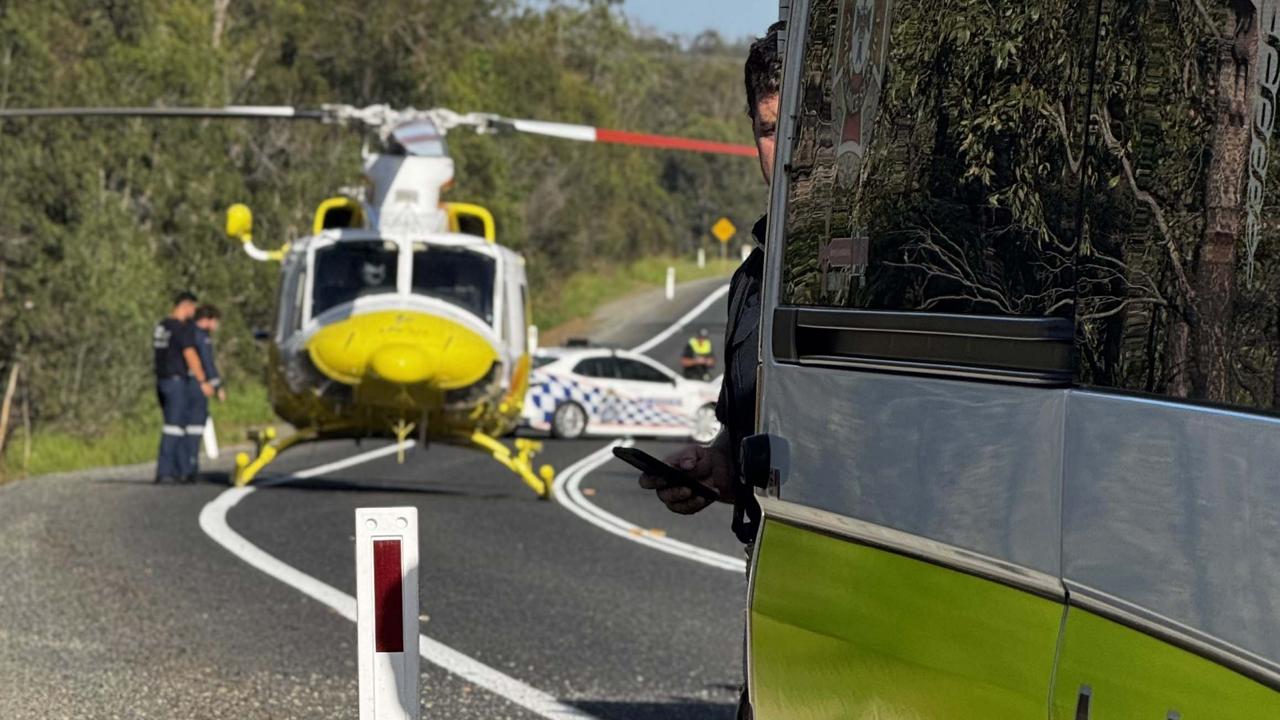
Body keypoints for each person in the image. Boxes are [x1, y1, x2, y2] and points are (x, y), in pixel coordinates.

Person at [636, 20, 782, 720]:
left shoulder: (897, 265)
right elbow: (743, 445)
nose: (783, 154)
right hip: (774, 612)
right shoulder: (752, 283)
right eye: (767, 129)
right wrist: (709, 469)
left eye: (799, 129)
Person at [153, 291, 214, 483]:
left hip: (162, 380)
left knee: (173, 424)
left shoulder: (161, 326)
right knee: (175, 427)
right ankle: (167, 470)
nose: (193, 312)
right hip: (176, 381)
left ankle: (181, 469)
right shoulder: (180, 329)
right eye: (193, 308)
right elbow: (190, 355)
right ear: (185, 305)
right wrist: (203, 380)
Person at [186, 304, 226, 478]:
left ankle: (187, 463)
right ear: (207, 319)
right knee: (196, 421)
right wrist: (215, 385)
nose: (216, 326)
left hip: (187, 382)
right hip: (196, 383)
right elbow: (207, 362)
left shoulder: (189, 332)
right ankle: (190, 463)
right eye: (215, 321)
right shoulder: (200, 337)